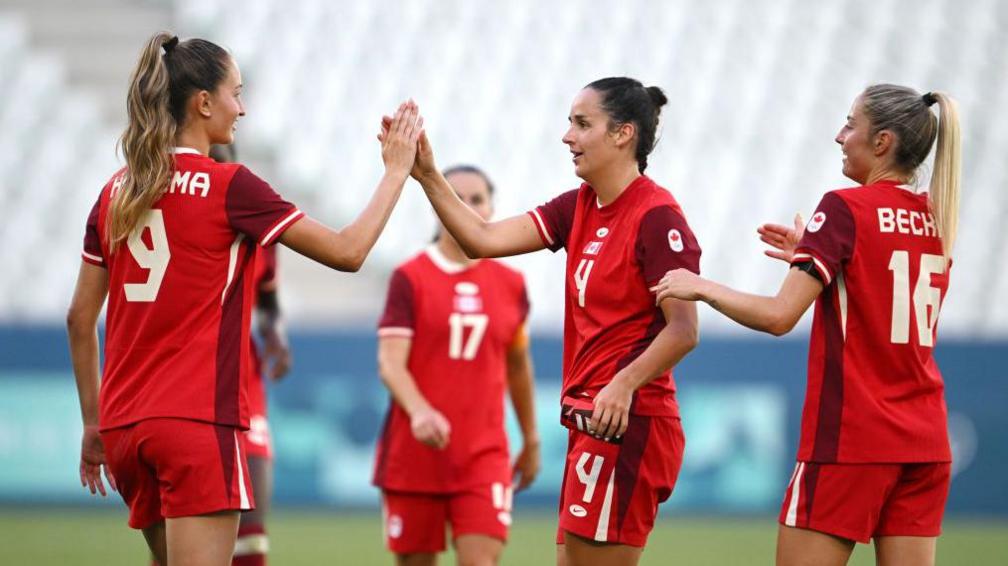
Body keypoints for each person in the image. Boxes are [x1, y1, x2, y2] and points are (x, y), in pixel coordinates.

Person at [67, 32, 422, 566]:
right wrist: (397, 171)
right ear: (203, 102)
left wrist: (93, 424)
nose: (243, 106)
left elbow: (78, 319)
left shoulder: (116, 189)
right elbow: (348, 252)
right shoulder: (230, 185)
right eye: (236, 91)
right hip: (195, 423)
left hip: (124, 428)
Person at [386, 77, 701, 566]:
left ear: (622, 134)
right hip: (591, 421)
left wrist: (623, 383)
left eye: (581, 124)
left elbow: (684, 329)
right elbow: (482, 239)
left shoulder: (657, 216)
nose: (567, 136)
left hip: (629, 421)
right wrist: (426, 173)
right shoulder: (578, 206)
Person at [652, 84, 960, 566]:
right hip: (925, 442)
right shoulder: (938, 217)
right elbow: (880, 277)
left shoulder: (844, 207)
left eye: (850, 124)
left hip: (852, 440)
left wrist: (702, 286)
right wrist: (818, 250)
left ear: (882, 142)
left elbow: (779, 317)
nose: (840, 136)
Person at [373, 165, 541, 566]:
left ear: (493, 207)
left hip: (483, 456)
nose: (467, 207)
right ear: (437, 206)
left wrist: (531, 437)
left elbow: (518, 366)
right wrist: (420, 411)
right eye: (457, 198)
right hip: (415, 455)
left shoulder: (511, 282)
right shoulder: (409, 278)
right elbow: (391, 363)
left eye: (478, 199)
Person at [208, 143, 291, 566]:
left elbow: (268, 295)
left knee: (252, 533)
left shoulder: (259, 229)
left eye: (224, 163)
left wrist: (275, 335)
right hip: (190, 392)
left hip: (244, 388)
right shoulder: (180, 223)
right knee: (179, 541)